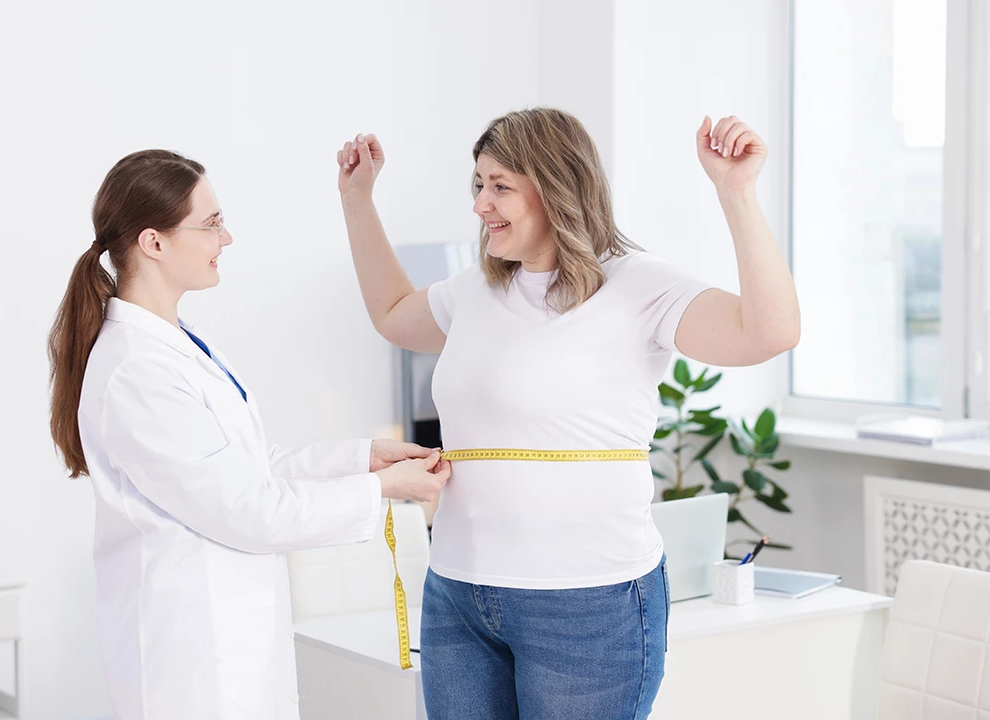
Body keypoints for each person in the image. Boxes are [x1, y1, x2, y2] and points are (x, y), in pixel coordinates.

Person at [335, 109, 799, 719]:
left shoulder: (637, 285)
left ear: (556, 186)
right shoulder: (477, 289)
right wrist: (357, 200)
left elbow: (769, 333)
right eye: (479, 184)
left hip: (586, 602)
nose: (480, 204)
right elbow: (395, 314)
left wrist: (736, 193)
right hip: (459, 594)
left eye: (500, 186)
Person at [47, 149, 451, 720]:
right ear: (153, 242)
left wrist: (362, 459)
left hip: (228, 644)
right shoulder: (135, 370)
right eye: (211, 224)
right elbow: (249, 510)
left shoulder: (177, 343)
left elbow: (247, 466)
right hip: (190, 663)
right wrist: (385, 490)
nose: (227, 238)